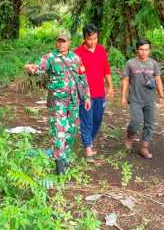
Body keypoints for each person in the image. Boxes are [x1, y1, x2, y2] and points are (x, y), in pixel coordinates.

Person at [25, 29, 91, 174]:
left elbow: (82, 78)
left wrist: (86, 97)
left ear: (69, 43)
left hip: (74, 101)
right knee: (59, 131)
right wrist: (32, 69)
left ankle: (65, 158)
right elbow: (39, 68)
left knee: (71, 130)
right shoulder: (50, 58)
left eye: (64, 41)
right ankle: (59, 165)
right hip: (58, 101)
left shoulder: (75, 58)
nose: (61, 44)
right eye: (59, 41)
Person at [74, 24, 114, 160]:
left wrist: (111, 86)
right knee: (87, 120)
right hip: (85, 95)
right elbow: (75, 75)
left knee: (97, 119)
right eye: (90, 39)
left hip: (100, 93)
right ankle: (88, 149)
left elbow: (106, 69)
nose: (93, 42)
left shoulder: (101, 50)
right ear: (84, 38)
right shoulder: (77, 53)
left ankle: (89, 141)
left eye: (95, 38)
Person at [120, 39, 164, 159]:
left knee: (149, 124)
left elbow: (158, 79)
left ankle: (144, 147)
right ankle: (130, 136)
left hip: (150, 99)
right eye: (141, 49)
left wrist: (161, 96)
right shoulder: (130, 63)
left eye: (146, 49)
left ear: (149, 50)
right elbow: (125, 80)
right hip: (135, 99)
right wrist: (123, 98)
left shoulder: (154, 64)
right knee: (136, 121)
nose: (144, 52)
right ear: (137, 50)